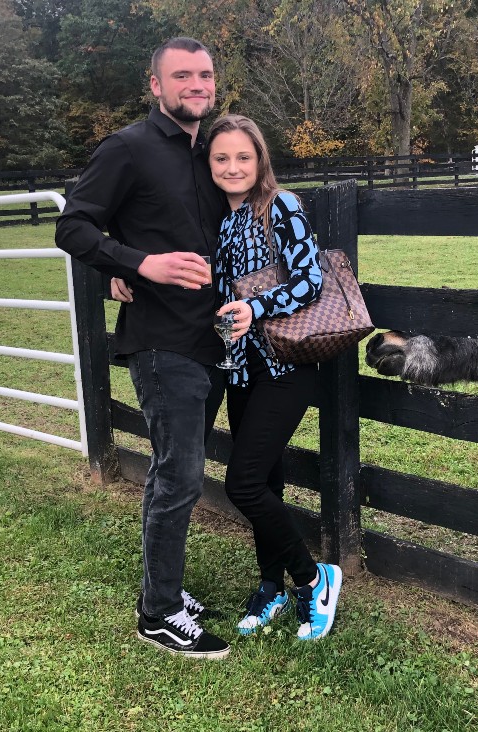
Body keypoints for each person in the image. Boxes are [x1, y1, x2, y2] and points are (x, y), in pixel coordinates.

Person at [54, 37, 230, 660]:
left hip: (214, 337)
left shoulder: (214, 150)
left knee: (175, 470)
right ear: (155, 85)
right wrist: (136, 264)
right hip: (161, 340)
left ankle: (166, 590)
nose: (196, 84)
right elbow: (72, 226)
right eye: (182, 75)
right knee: (180, 475)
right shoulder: (126, 148)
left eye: (205, 74)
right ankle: (158, 615)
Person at [208, 114, 344, 641]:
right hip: (242, 370)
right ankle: (271, 586)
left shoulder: (280, 205)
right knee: (264, 480)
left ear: (260, 159)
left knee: (241, 483)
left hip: (286, 365)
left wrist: (254, 307)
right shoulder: (220, 220)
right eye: (222, 157)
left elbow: (310, 281)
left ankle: (314, 579)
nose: (233, 167)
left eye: (243, 156)